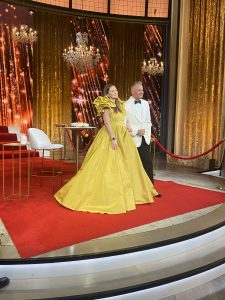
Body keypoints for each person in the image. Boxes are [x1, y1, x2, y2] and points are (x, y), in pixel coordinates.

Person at [54, 84, 158, 214]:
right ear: (107, 93)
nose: (115, 92)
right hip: (111, 135)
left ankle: (132, 192)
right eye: (112, 90)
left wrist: (129, 126)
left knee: (128, 164)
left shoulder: (120, 104)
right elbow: (107, 123)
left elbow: (125, 119)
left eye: (116, 89)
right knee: (108, 165)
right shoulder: (106, 104)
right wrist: (113, 139)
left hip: (124, 136)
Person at [124, 81, 157, 188]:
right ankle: (132, 190)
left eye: (142, 90)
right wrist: (136, 132)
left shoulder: (145, 103)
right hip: (132, 140)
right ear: (132, 91)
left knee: (148, 163)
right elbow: (123, 124)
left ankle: (151, 189)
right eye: (139, 90)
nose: (142, 92)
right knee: (132, 166)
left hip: (144, 139)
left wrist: (146, 134)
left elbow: (148, 121)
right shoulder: (125, 105)